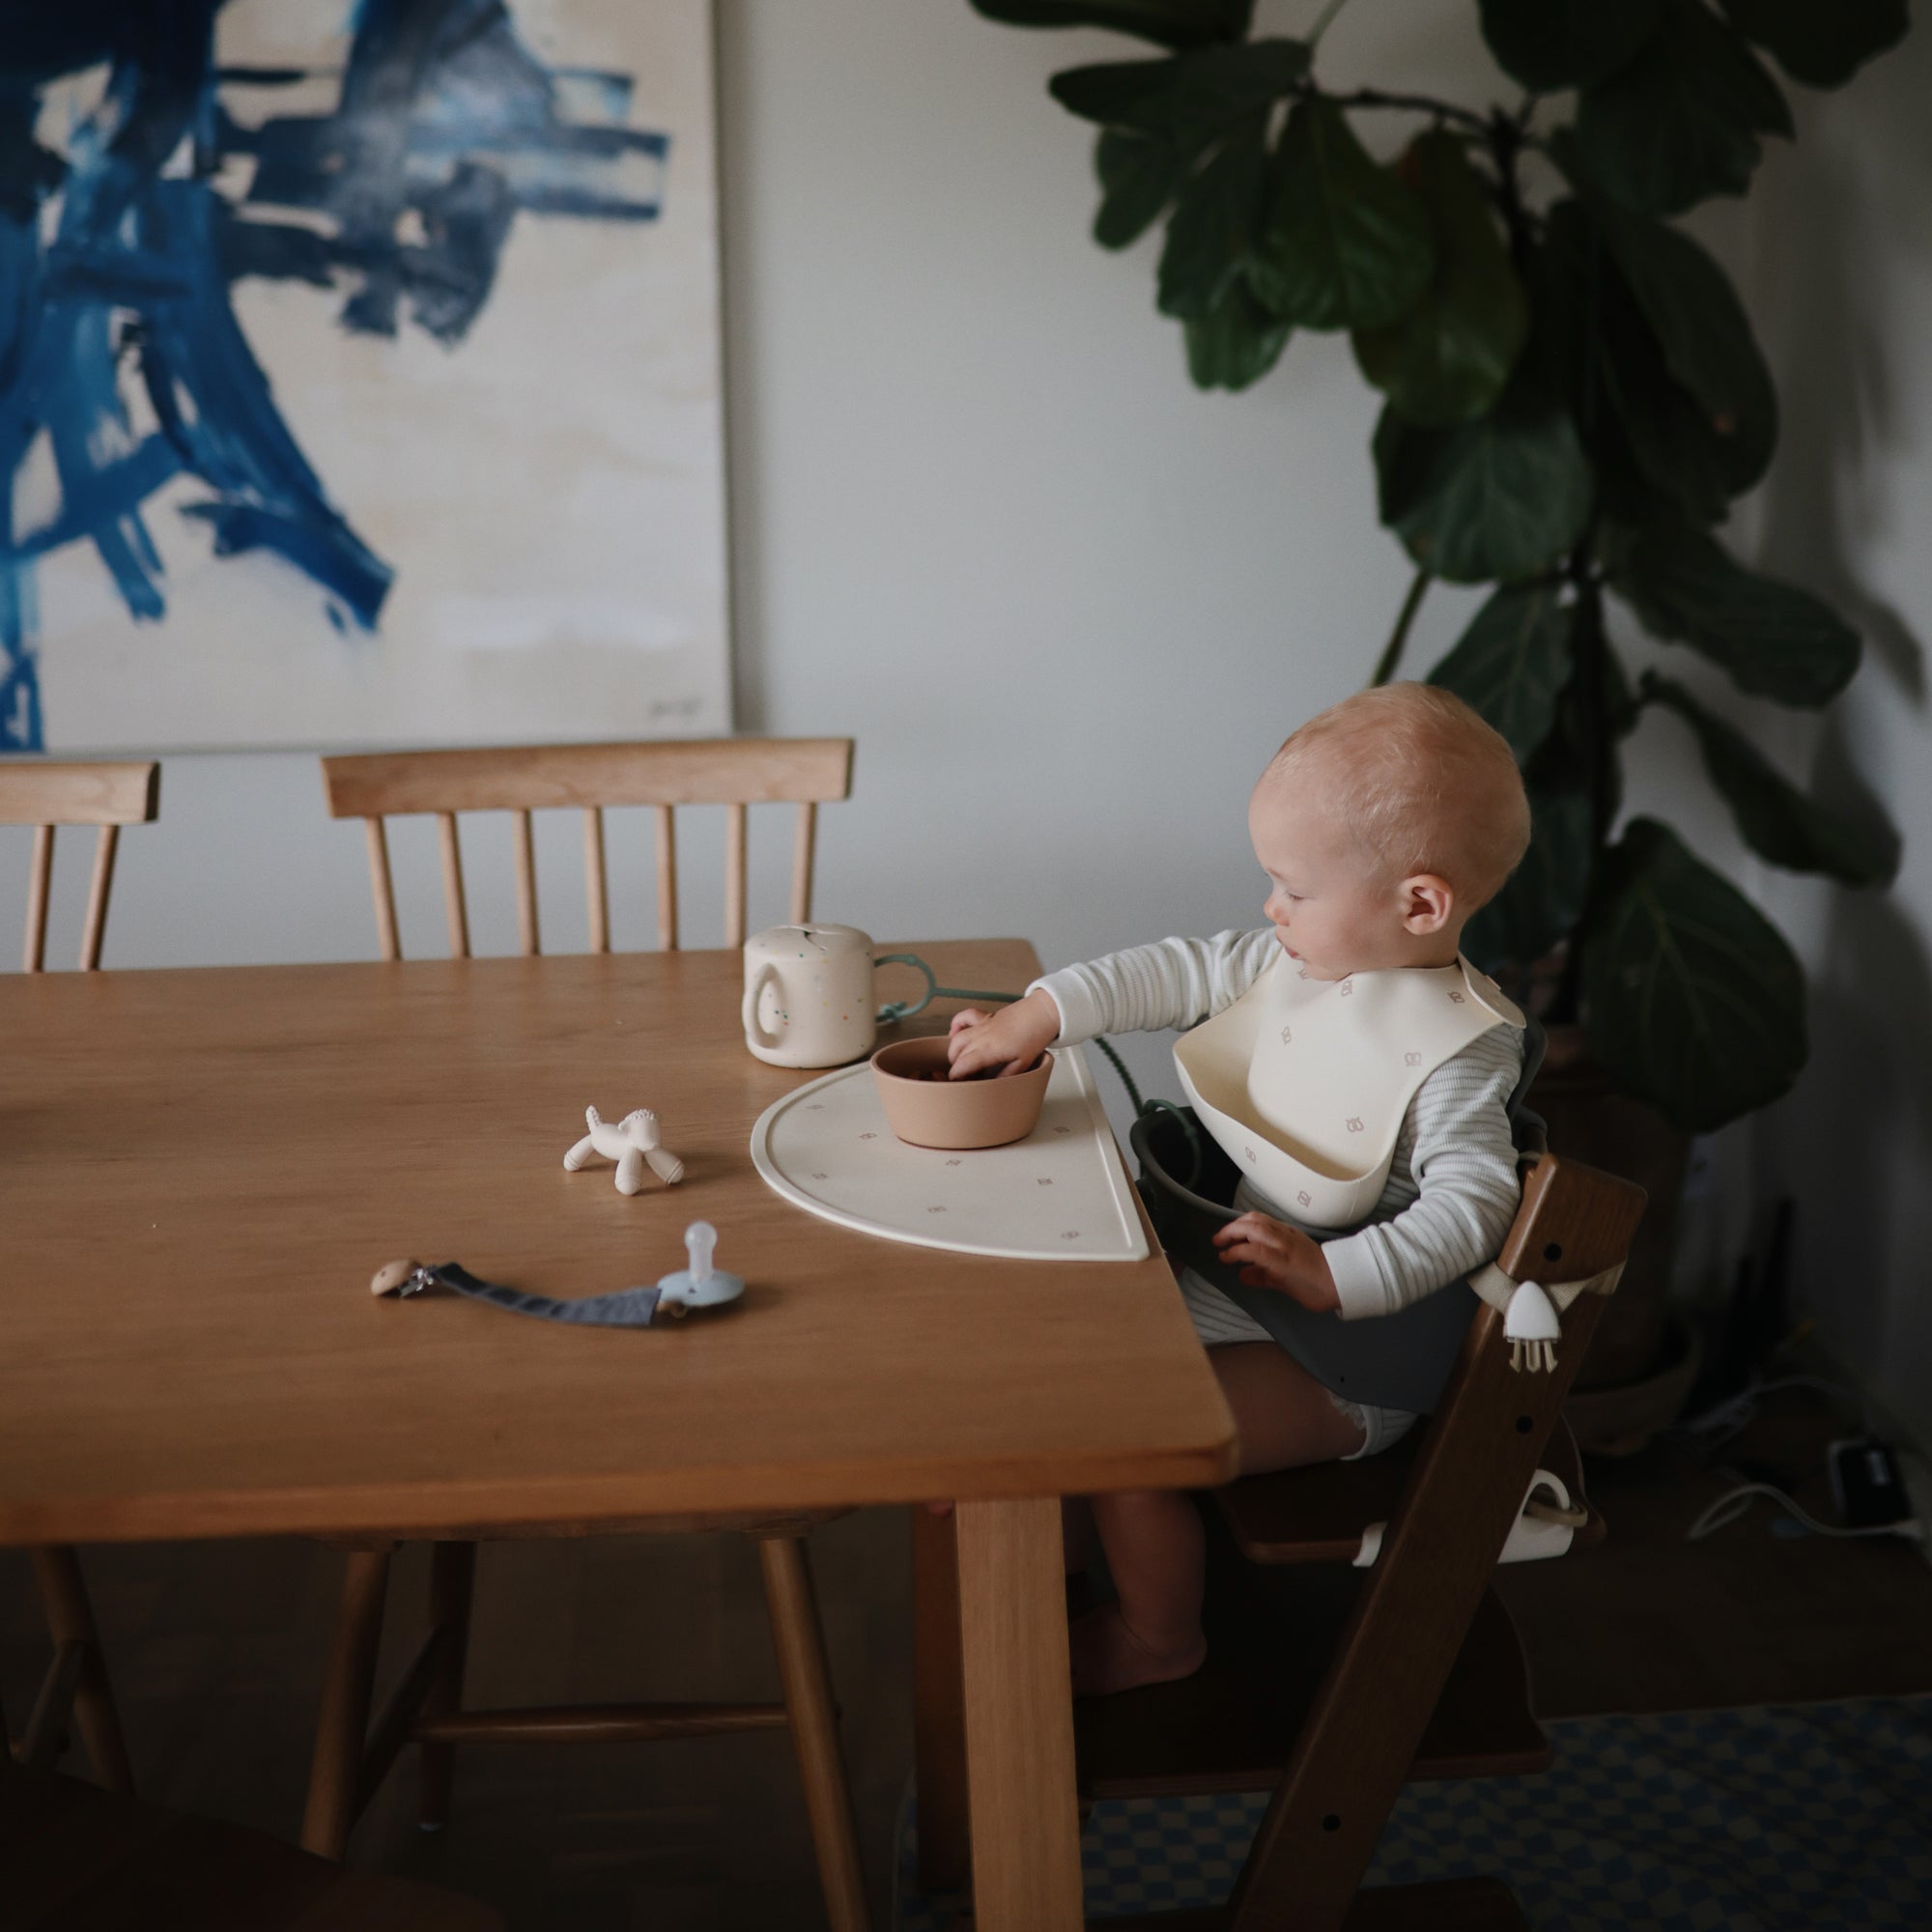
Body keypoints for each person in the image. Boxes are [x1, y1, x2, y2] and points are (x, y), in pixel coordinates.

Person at [947, 682, 1534, 1695]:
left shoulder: (1457, 1054)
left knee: (1128, 1438)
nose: (1271, 908)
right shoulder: (1291, 961)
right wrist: (1034, 1016)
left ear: (1419, 903)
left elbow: (1471, 1204)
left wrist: (1334, 1274)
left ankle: (1156, 1636)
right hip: (1242, 1286)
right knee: (1050, 1354)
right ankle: (1047, 1570)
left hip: (1348, 1358)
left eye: (1294, 887)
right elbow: (1166, 971)